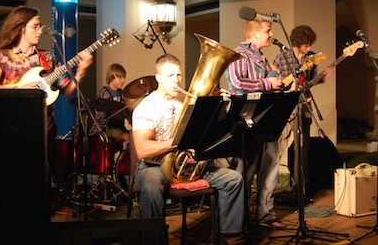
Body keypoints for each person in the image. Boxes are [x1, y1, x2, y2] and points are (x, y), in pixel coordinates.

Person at [0, 6, 93, 213]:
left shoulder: (47, 58)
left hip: (43, 124)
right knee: (12, 173)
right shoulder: (2, 57)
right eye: (35, 26)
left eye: (40, 26)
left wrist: (82, 69)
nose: (40, 30)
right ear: (21, 28)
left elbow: (67, 91)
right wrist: (16, 88)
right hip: (12, 126)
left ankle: (40, 216)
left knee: (42, 172)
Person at [131, 53, 245, 240]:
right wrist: (179, 143)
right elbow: (143, 150)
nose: (176, 80)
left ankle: (226, 236)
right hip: (153, 166)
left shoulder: (186, 101)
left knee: (233, 179)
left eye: (179, 75)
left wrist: (215, 103)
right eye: (170, 76)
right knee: (152, 186)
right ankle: (155, 239)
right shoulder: (146, 107)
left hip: (184, 165)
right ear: (158, 78)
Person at [227, 16, 287, 229]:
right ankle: (239, 220)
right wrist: (267, 84)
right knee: (246, 172)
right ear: (255, 34)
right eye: (268, 30)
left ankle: (265, 215)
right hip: (246, 124)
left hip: (265, 121)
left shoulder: (261, 58)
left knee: (270, 170)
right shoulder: (239, 55)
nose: (271, 34)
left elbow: (268, 83)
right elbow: (236, 82)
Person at [272, 25, 334, 201]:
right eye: (306, 44)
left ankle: (302, 189)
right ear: (298, 42)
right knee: (277, 147)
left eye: (309, 45)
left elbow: (308, 83)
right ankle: (268, 189)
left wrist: (321, 78)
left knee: (302, 148)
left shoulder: (310, 59)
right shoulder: (282, 58)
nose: (309, 48)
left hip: (304, 105)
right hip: (285, 107)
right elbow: (278, 82)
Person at [92, 63, 132, 149]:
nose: (123, 80)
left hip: (119, 128)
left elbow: (128, 112)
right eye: (120, 77)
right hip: (105, 129)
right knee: (126, 137)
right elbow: (104, 114)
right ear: (112, 77)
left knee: (135, 137)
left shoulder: (123, 94)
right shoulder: (104, 92)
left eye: (124, 77)